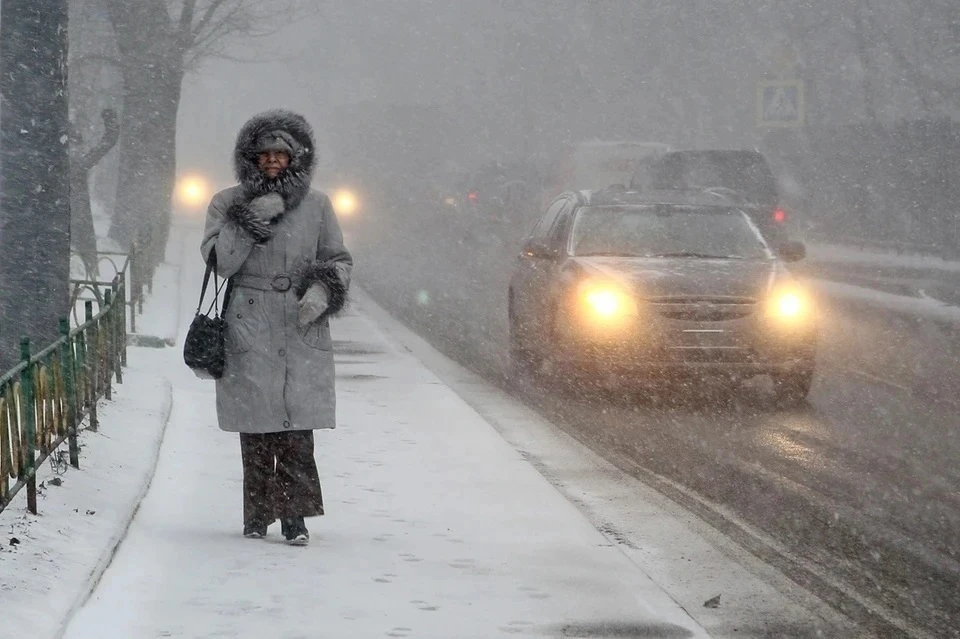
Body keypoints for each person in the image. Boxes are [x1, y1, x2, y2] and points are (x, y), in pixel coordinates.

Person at [200, 109, 352, 545]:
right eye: (264, 152)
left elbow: (338, 259)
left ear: (295, 158)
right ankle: (257, 515)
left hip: (301, 319)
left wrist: (323, 291)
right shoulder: (226, 202)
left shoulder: (319, 205)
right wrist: (249, 221)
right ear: (251, 157)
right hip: (248, 319)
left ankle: (294, 518)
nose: (272, 160)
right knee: (257, 423)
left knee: (295, 425)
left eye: (281, 153)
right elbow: (219, 263)